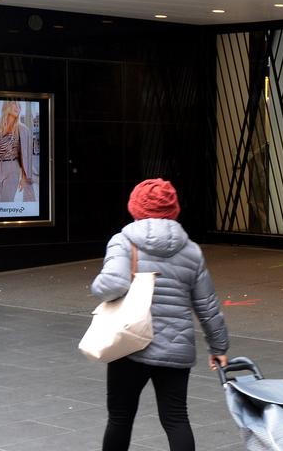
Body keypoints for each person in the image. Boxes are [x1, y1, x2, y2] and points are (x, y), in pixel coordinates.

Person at [91, 179, 230, 451]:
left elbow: (112, 285)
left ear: (135, 206)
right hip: (176, 348)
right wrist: (219, 346)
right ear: (173, 209)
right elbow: (207, 304)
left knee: (120, 418)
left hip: (128, 345)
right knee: (176, 418)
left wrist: (97, 286)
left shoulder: (123, 241)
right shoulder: (191, 250)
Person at [0, 100, 35, 203]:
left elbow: (26, 155)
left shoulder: (23, 129)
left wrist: (24, 177)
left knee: (7, 201)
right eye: (14, 104)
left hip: (13, 166)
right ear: (7, 106)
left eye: (19, 105)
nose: (18, 107)